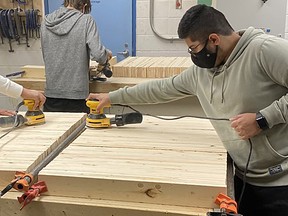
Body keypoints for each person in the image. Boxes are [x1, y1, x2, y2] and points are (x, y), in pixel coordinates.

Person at [86, 4, 288, 216]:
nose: (192, 55)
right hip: (244, 176)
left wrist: (263, 119)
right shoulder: (202, 73)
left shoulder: (263, 50)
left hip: (280, 182)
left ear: (214, 39)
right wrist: (112, 97)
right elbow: (161, 88)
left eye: (193, 48)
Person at [40, 0, 112, 113]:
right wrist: (106, 55)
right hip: (77, 96)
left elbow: (46, 53)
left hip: (51, 95)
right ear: (84, 6)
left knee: (55, 130)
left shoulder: (46, 21)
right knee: (79, 130)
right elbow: (98, 54)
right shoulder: (86, 20)